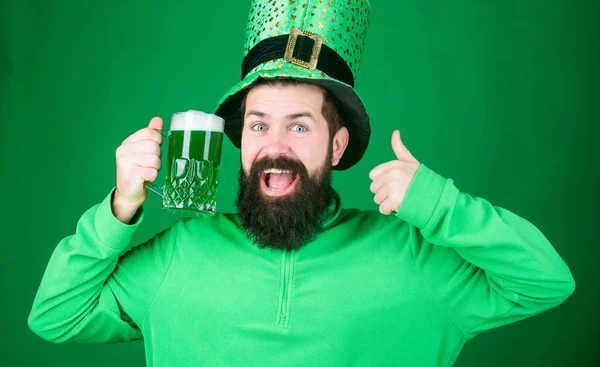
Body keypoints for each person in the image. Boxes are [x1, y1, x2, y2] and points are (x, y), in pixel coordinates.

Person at [28, 0, 575, 366]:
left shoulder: (414, 256)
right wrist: (120, 207)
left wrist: (439, 203)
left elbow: (547, 281)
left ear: (337, 148)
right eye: (259, 124)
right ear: (241, 141)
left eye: (300, 125)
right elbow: (55, 317)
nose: (276, 145)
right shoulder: (182, 250)